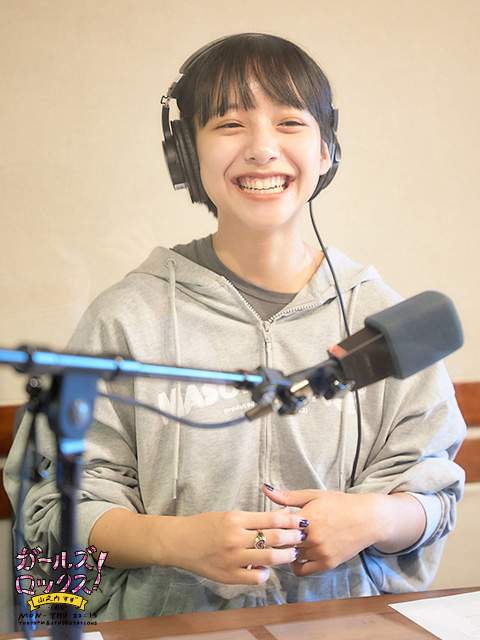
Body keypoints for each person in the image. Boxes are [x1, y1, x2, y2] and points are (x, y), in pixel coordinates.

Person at [5, 33, 466, 621]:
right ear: (184, 155)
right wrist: (175, 542)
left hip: (341, 626)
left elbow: (433, 494)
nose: (262, 148)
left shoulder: (382, 321)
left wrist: (376, 517)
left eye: (290, 122)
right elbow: (52, 506)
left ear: (328, 150)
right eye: (229, 124)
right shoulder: (126, 318)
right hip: (167, 630)